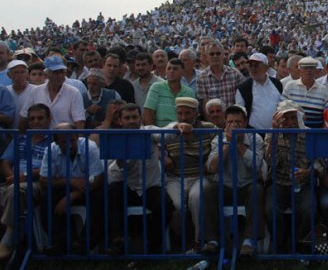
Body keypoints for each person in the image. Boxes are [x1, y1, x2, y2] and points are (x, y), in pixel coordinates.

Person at [106, 104, 173, 255]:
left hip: (150, 186)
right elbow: (112, 177)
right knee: (112, 193)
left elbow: (166, 133)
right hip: (127, 186)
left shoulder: (148, 131)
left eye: (134, 117)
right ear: (120, 121)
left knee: (166, 205)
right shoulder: (115, 138)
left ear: (140, 118)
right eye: (127, 118)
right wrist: (120, 162)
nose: (131, 121)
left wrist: (178, 126)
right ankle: (118, 241)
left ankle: (154, 244)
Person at [203, 104, 264, 257]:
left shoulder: (256, 138)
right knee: (208, 190)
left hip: (247, 186)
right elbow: (212, 167)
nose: (234, 125)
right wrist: (228, 145)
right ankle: (212, 241)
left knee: (256, 190)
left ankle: (249, 241)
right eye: (230, 122)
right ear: (225, 123)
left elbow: (257, 166)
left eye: (238, 122)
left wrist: (239, 145)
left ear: (245, 123)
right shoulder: (218, 140)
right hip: (226, 186)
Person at [264, 100, 324, 251]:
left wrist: (309, 172)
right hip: (278, 182)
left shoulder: (310, 134)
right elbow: (269, 160)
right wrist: (275, 134)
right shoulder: (272, 134)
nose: (290, 122)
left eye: (293, 118)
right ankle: (279, 245)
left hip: (302, 184)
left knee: (308, 208)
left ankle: (298, 245)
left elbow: (321, 162)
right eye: (286, 118)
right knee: (270, 209)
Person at [158, 97, 215, 249]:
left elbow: (218, 145)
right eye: (180, 113)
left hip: (200, 176)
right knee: (176, 205)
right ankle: (181, 241)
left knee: (196, 198)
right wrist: (163, 156)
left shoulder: (208, 128)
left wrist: (209, 161)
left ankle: (199, 240)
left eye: (187, 113)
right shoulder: (170, 130)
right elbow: (154, 143)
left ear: (196, 113)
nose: (184, 117)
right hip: (175, 177)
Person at [39, 122, 105, 255]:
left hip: (88, 188)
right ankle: (60, 242)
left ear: (77, 137)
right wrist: (70, 181)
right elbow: (44, 181)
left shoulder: (89, 147)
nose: (69, 145)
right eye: (63, 142)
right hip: (65, 186)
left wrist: (72, 195)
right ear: (56, 142)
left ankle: (84, 243)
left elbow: (98, 178)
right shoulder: (50, 150)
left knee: (101, 196)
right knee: (46, 197)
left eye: (72, 140)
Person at [0, 104, 51, 259]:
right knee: (11, 190)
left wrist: (25, 176)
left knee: (15, 191)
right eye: (32, 119)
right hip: (13, 181)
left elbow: (50, 167)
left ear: (49, 120)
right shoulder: (20, 139)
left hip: (36, 183)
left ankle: (8, 241)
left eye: (40, 118)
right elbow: (5, 162)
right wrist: (13, 177)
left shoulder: (54, 141)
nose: (36, 122)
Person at [19, 56, 85, 129]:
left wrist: (78, 139)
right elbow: (24, 117)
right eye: (55, 72)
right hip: (41, 137)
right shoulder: (36, 91)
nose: (60, 75)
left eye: (62, 72)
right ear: (46, 74)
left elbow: (79, 122)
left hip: (64, 138)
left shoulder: (74, 93)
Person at [235, 53, 283, 131]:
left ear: (266, 67)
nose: (253, 69)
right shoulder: (243, 88)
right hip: (253, 134)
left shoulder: (277, 84)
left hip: (276, 132)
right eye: (251, 65)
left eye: (256, 65)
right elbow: (239, 113)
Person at [143, 58, 196, 127]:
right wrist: (154, 134)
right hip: (160, 134)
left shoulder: (189, 92)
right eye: (169, 68)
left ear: (182, 72)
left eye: (175, 69)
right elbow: (148, 113)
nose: (171, 71)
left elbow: (193, 116)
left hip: (182, 133)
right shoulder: (156, 87)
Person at [197, 42, 244, 118]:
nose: (215, 56)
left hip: (233, 120)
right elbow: (204, 106)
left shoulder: (235, 74)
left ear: (223, 55)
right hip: (213, 122)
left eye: (218, 53)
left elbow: (240, 102)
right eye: (212, 54)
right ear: (207, 57)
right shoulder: (201, 77)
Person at [282, 56, 328, 128]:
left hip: (315, 134)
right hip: (293, 135)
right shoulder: (290, 86)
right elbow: (281, 109)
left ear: (315, 70)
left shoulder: (324, 90)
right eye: (305, 68)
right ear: (299, 70)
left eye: (311, 68)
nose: (309, 70)